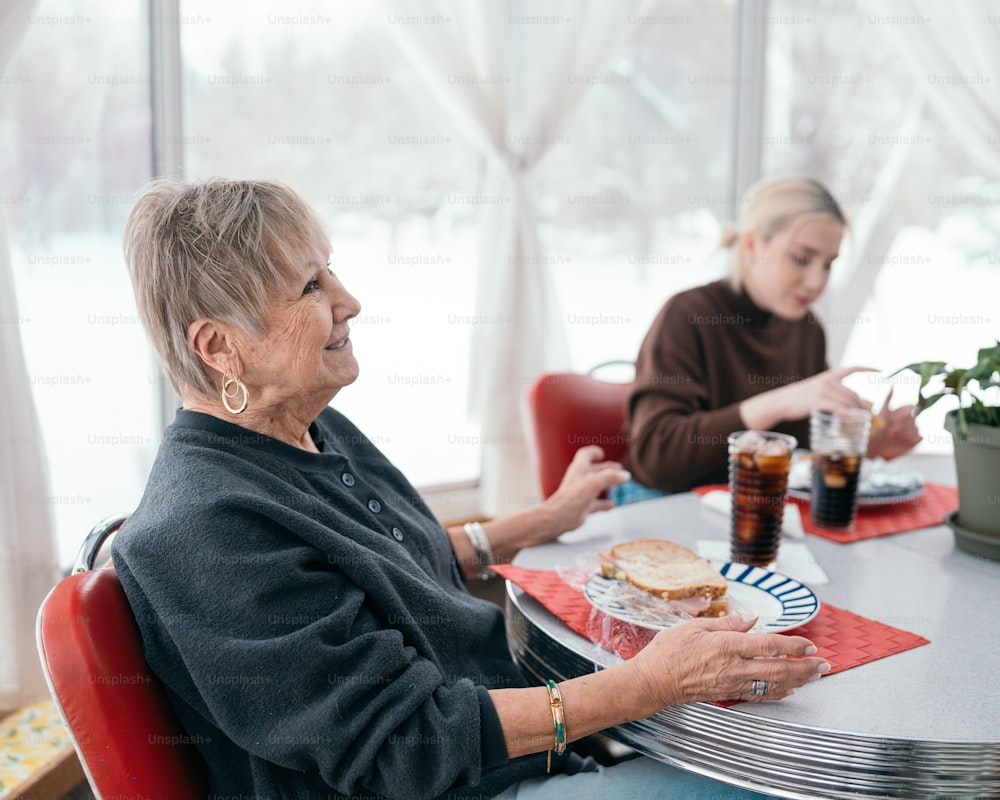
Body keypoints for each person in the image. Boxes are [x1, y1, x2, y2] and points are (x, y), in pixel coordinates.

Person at [111, 178, 830, 800]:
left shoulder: (308, 431)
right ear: (217, 346)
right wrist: (650, 684)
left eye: (330, 270)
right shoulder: (205, 529)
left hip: (517, 755)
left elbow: (392, 563)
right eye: (309, 286)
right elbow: (406, 745)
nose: (349, 300)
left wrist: (538, 520)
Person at [619, 176, 922, 500]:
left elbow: (801, 450)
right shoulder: (689, 315)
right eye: (801, 259)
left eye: (828, 264)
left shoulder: (807, 328)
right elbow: (656, 458)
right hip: (665, 504)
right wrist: (780, 402)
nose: (816, 282)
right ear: (751, 246)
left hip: (756, 504)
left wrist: (869, 444)